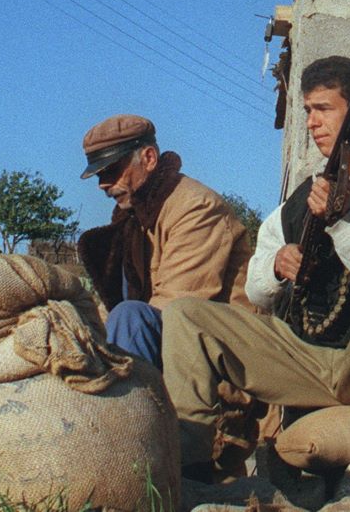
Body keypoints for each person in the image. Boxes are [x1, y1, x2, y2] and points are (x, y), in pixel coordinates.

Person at [163, 55, 350, 489]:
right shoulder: (302, 197)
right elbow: (258, 288)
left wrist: (347, 221)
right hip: (306, 362)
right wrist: (278, 266)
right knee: (186, 316)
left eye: (324, 109)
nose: (312, 123)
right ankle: (192, 470)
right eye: (308, 110)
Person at [75, 113, 252, 368]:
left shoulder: (196, 208)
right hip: (175, 346)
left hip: (228, 360)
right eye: (98, 176)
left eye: (112, 170)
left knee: (128, 318)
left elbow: (176, 308)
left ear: (149, 158)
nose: (103, 184)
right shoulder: (133, 220)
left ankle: (133, 394)